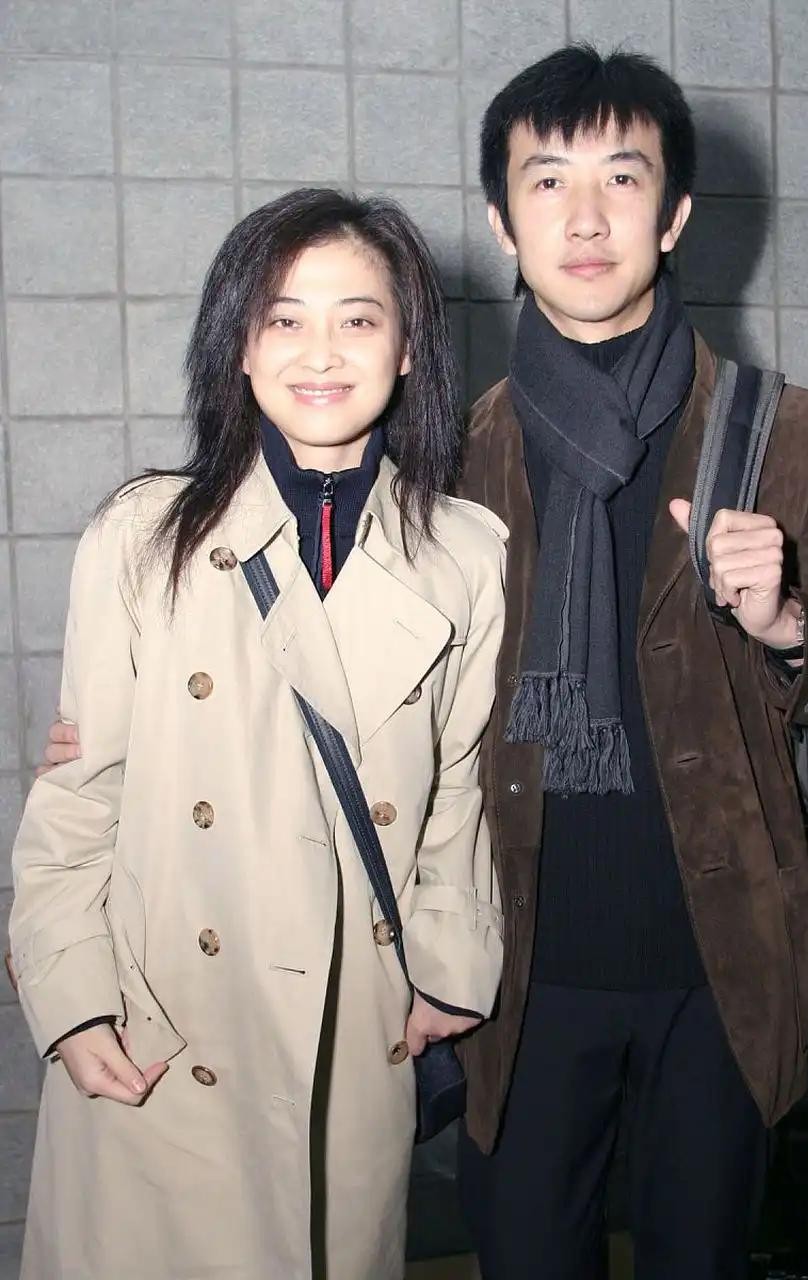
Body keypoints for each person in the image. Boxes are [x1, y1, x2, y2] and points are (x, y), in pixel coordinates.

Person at [9, 189, 506, 1280]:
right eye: (283, 318)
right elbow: (79, 796)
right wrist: (73, 1001)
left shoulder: (466, 554)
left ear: (409, 348)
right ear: (237, 346)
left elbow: (457, 790)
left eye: (358, 319)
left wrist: (448, 965)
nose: (319, 352)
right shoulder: (143, 534)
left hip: (352, 1029)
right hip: (163, 1027)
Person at [447, 45, 808, 1280]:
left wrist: (790, 625)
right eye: (547, 181)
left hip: (721, 965)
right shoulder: (454, 455)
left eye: (621, 179)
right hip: (516, 968)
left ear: (673, 214)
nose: (584, 218)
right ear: (501, 219)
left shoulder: (795, 433)